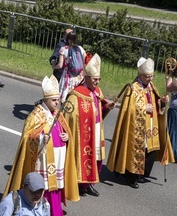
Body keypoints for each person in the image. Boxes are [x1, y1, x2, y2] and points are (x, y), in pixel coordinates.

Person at [4, 75, 79, 216]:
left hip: (57, 157)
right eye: (53, 100)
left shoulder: (57, 113)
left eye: (58, 100)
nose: (57, 103)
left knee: (56, 187)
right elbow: (27, 137)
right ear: (45, 100)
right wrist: (39, 138)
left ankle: (55, 215)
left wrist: (67, 137)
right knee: (44, 188)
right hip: (43, 160)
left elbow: (65, 131)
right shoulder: (36, 115)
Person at [107, 57, 175, 188]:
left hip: (151, 124)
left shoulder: (151, 86)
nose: (150, 79)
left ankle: (142, 173)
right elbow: (128, 110)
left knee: (150, 150)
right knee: (135, 149)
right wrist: (143, 109)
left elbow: (157, 103)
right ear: (140, 75)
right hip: (136, 127)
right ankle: (131, 177)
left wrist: (162, 101)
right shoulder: (133, 88)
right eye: (147, 76)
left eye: (151, 76)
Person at [64, 54, 115, 196]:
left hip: (97, 128)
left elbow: (99, 109)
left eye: (99, 79)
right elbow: (69, 116)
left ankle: (90, 183)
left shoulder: (97, 91)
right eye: (95, 79)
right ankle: (80, 183)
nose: (97, 82)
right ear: (86, 78)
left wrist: (107, 107)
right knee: (84, 157)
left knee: (97, 157)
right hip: (84, 132)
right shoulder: (76, 94)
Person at [51, 31, 86, 102]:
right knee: (76, 97)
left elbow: (60, 65)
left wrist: (54, 66)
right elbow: (85, 62)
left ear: (68, 39)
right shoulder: (80, 48)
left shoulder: (64, 49)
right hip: (79, 77)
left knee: (65, 97)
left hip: (68, 77)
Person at [166, 64, 177, 160]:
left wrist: (171, 74)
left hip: (175, 109)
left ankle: (172, 153)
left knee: (173, 130)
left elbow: (168, 87)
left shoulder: (175, 82)